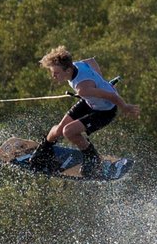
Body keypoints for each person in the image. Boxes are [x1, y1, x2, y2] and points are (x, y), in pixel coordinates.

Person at [34, 46, 139, 176]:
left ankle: (92, 158)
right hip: (89, 102)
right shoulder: (77, 65)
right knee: (60, 129)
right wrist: (100, 81)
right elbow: (92, 61)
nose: (53, 76)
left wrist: (125, 106)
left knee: (69, 131)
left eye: (56, 73)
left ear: (67, 70)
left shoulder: (83, 88)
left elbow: (112, 96)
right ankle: (44, 149)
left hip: (105, 111)